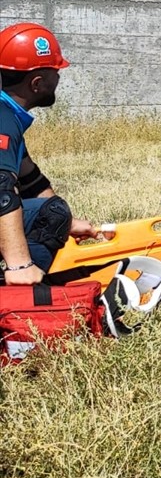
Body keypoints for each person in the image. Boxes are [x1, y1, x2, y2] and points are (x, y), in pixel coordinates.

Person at [0, 23, 95, 286]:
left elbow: (31, 180)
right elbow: (1, 189)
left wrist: (68, 222)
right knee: (50, 214)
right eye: (56, 72)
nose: (59, 78)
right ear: (37, 83)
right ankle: (22, 291)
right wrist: (20, 264)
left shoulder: (8, 116)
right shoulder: (3, 121)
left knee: (55, 212)